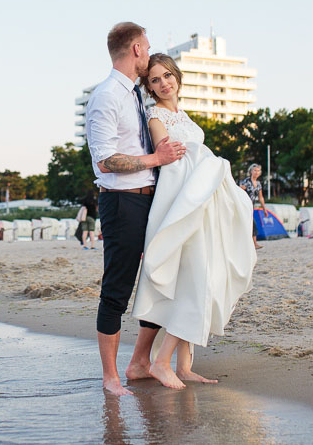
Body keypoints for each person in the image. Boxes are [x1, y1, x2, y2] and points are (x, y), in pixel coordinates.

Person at [132, 53, 257, 390]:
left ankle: (184, 366)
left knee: (197, 276)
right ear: (149, 86)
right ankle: (161, 362)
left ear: (177, 77)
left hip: (200, 205)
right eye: (155, 80)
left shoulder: (184, 115)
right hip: (180, 203)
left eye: (167, 76)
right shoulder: (156, 116)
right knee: (193, 279)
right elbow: (167, 151)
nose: (163, 83)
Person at [85, 22, 186, 396]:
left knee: (161, 277)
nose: (150, 52)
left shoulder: (134, 95)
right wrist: (155, 158)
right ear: (138, 49)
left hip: (151, 198)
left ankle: (140, 362)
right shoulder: (107, 95)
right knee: (117, 288)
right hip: (122, 201)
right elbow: (106, 160)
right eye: (148, 46)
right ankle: (110, 377)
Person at [239, 164, 266, 250]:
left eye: (258, 171)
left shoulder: (258, 184)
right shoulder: (246, 182)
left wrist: (264, 209)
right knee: (252, 223)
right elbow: (239, 192)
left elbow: (260, 197)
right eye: (255, 170)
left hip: (251, 207)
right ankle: (254, 243)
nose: (256, 172)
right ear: (251, 171)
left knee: (250, 224)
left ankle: (251, 243)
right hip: (244, 206)